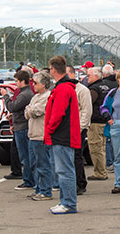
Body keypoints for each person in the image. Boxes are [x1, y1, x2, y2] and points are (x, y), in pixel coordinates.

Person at [44, 56, 81, 214]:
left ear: (53, 69)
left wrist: (50, 129)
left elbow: (58, 113)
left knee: (64, 171)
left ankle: (68, 203)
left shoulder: (63, 89)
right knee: (64, 170)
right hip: (63, 134)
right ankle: (65, 201)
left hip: (62, 135)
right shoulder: (64, 87)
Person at [26, 71, 56, 201]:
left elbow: (35, 111)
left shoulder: (47, 97)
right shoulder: (35, 97)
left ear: (43, 84)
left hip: (41, 135)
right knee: (34, 164)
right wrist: (29, 110)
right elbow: (27, 112)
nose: (33, 85)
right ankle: (38, 188)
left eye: (36, 83)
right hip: (32, 134)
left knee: (43, 164)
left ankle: (46, 191)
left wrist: (29, 109)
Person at [5, 70, 36, 191]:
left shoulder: (25, 94)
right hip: (21, 125)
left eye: (17, 81)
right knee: (26, 155)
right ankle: (30, 179)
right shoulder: (26, 93)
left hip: (22, 127)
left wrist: (5, 96)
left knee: (25, 155)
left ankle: (28, 180)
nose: (15, 83)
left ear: (23, 81)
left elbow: (12, 106)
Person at [86, 65, 116, 181]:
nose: (87, 78)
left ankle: (100, 172)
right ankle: (103, 169)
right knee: (103, 147)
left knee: (95, 147)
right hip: (106, 120)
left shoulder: (94, 89)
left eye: (89, 75)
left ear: (95, 76)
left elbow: (88, 104)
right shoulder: (108, 86)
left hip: (95, 121)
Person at [68, 65, 92, 195]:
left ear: (72, 74)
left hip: (78, 128)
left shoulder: (82, 90)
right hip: (67, 128)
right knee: (68, 157)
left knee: (77, 156)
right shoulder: (63, 89)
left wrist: (81, 127)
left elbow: (87, 110)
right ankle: (70, 182)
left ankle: (80, 183)